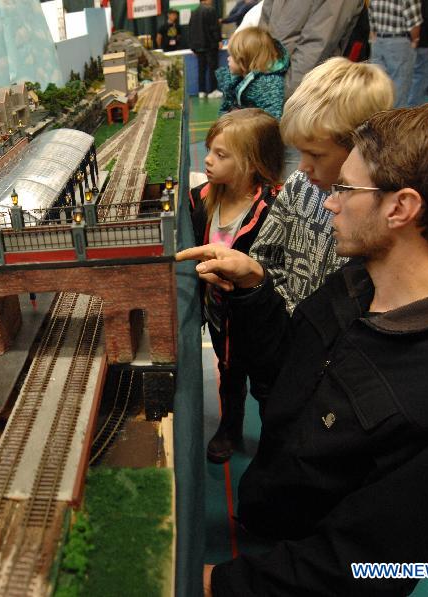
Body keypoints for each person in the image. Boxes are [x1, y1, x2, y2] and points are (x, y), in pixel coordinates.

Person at [179, 103, 428, 596]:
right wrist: (255, 289)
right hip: (275, 518)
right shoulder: (354, 283)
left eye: (345, 190)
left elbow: (368, 567)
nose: (328, 202)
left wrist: (215, 585)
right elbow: (286, 367)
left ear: (401, 208)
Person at [249, 58, 394, 313]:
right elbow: (265, 255)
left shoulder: (377, 211)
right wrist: (291, 314)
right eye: (301, 152)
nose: (302, 166)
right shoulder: (298, 185)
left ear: (357, 148)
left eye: (316, 155)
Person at [188, 109, 284, 463]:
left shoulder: (275, 208)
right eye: (210, 149)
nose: (208, 160)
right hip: (220, 318)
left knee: (267, 386)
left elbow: (285, 273)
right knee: (228, 375)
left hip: (260, 325)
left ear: (252, 161)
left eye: (221, 154)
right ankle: (230, 427)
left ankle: (276, 441)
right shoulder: (202, 199)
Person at [259, 0, 365, 96]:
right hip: (265, 81)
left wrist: (278, 96)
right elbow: (263, 27)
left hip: (295, 93)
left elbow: (316, 49)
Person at [216, 27, 289, 119]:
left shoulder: (269, 84)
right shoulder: (236, 78)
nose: (228, 59)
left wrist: (240, 119)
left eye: (232, 56)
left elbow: (272, 120)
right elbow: (226, 108)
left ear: (244, 59)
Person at [369, 0, 422, 107]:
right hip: (398, 42)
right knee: (399, 86)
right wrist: (415, 40)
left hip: (378, 41)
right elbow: (414, 24)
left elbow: (372, 20)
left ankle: (376, 119)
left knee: (377, 85)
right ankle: (394, 121)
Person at [189, 0, 222, 98]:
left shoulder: (194, 12)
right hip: (210, 45)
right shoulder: (210, 10)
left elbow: (190, 30)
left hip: (198, 47)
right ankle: (213, 90)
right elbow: (214, 28)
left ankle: (201, 91)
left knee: (201, 69)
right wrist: (219, 40)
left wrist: (193, 47)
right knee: (213, 69)